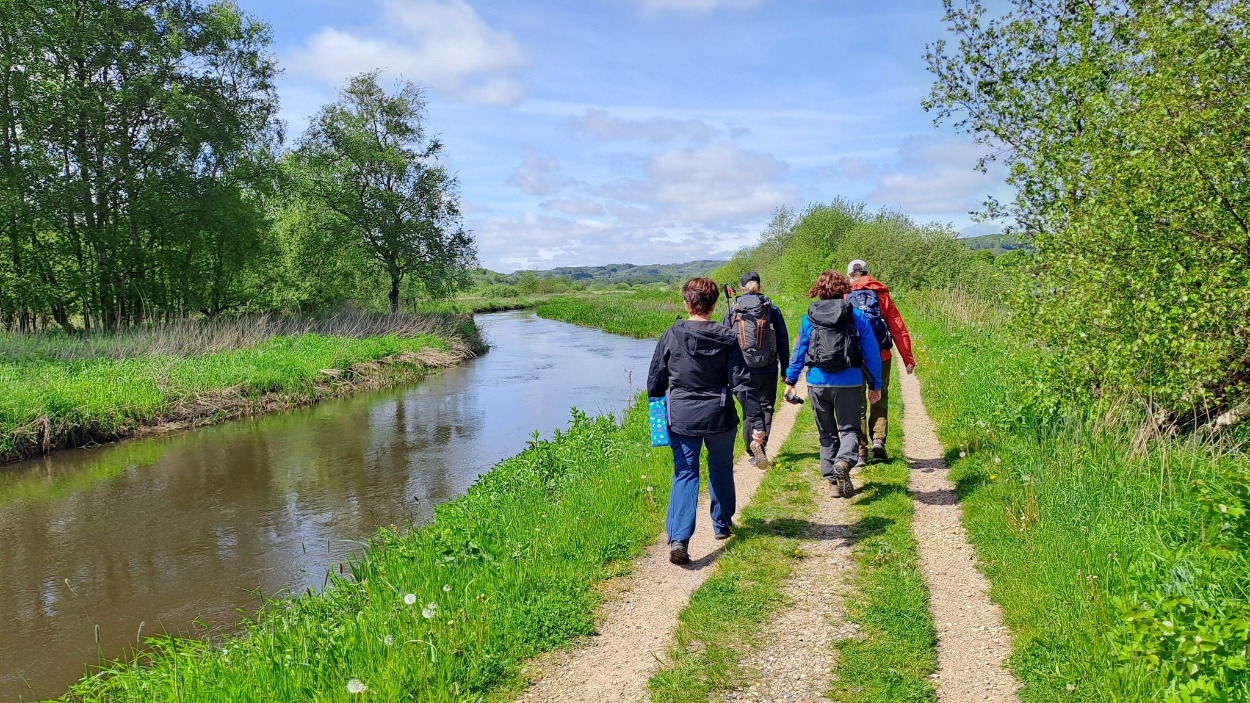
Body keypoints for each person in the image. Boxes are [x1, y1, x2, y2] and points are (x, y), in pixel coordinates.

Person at [649, 277, 767, 565]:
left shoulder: (671, 334)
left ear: (686, 303)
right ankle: (722, 524)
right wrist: (757, 421)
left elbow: (655, 381)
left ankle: (679, 539)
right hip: (719, 415)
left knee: (685, 473)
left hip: (682, 417)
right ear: (714, 305)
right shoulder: (727, 337)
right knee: (721, 468)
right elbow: (742, 383)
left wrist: (657, 419)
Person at [784, 270, 882, 498]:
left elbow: (799, 351)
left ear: (818, 290)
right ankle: (844, 462)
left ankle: (833, 484)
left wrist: (791, 380)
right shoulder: (857, 316)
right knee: (850, 430)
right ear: (844, 289)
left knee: (826, 433)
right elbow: (872, 353)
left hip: (817, 383)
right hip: (849, 382)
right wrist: (875, 384)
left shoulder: (808, 318)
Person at [846, 259, 916, 463]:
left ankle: (860, 451)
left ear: (850, 275)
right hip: (881, 355)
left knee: (856, 401)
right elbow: (898, 327)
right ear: (868, 273)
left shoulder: (845, 294)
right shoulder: (881, 294)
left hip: (854, 357)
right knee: (880, 396)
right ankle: (878, 439)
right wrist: (907, 357)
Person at [722, 271, 789, 466]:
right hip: (767, 366)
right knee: (766, 407)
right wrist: (785, 369)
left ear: (742, 288)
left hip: (742, 368)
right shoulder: (771, 308)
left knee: (749, 409)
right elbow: (782, 339)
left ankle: (752, 453)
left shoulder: (734, 309)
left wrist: (724, 370)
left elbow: (724, 339)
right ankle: (761, 445)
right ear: (760, 286)